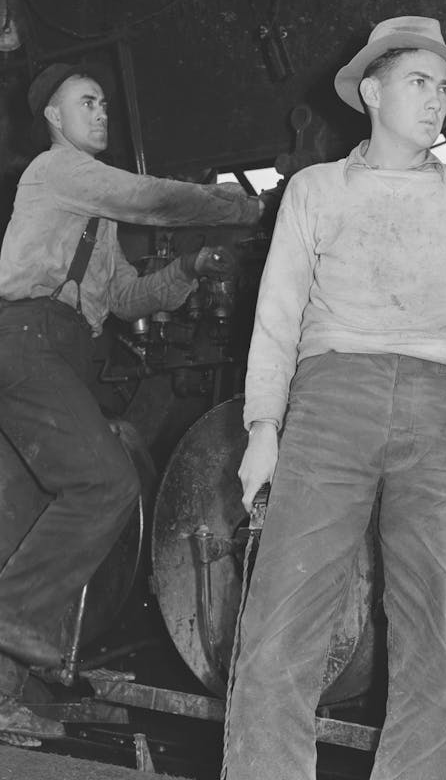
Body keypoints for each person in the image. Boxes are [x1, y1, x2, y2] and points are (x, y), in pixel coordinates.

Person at [217, 16, 446, 780]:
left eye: (443, 87)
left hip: (437, 403)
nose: (435, 100)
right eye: (420, 82)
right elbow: (278, 312)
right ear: (372, 93)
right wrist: (263, 426)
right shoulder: (315, 192)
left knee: (436, 626)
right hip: (330, 398)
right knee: (281, 618)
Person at [0, 62, 263, 743]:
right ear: (55, 119)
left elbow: (120, 298)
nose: (101, 112)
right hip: (24, 336)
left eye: (105, 103)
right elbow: (151, 199)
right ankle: (10, 610)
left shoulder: (93, 216)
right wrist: (240, 206)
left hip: (63, 349)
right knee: (102, 481)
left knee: (28, 521)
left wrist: (186, 272)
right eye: (87, 102)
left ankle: (4, 700)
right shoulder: (56, 173)